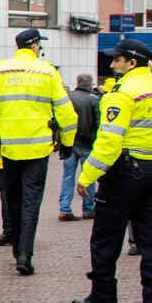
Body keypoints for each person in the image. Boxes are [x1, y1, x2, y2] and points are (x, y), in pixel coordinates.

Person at [72, 39, 152, 303]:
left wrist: (87, 176)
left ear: (132, 62)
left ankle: (103, 299)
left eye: (117, 60)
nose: (111, 64)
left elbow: (109, 140)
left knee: (105, 238)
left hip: (125, 172)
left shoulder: (122, 92)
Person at [0, 28, 77, 275]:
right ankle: (24, 253)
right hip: (37, 148)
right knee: (31, 202)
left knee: (13, 199)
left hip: (8, 149)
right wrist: (67, 143)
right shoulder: (48, 72)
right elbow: (67, 114)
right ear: (35, 46)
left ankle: (16, 246)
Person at [58, 74, 100, 221]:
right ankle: (88, 209)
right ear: (90, 85)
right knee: (88, 177)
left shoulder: (68, 97)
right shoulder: (94, 99)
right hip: (87, 144)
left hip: (70, 142)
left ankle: (65, 208)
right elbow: (98, 122)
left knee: (68, 176)